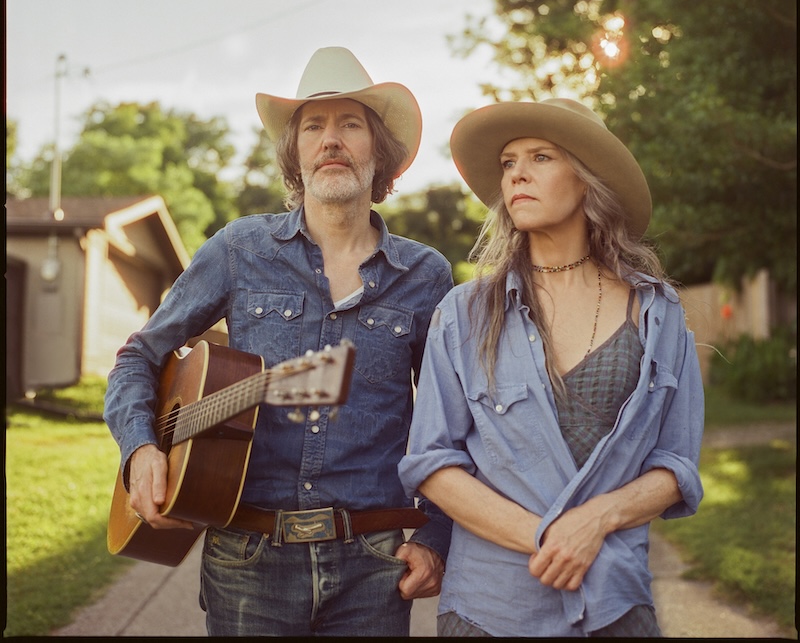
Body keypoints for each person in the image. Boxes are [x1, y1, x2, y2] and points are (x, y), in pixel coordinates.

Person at [104, 47, 453, 637]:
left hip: (373, 564)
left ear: (379, 151)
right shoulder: (241, 249)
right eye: (313, 126)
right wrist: (140, 448)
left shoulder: (426, 276)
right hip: (247, 562)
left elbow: (451, 419)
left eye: (350, 124)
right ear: (294, 151)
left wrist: (438, 533)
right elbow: (140, 356)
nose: (330, 140)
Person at [398, 98, 704, 637]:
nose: (517, 174)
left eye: (540, 157)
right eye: (509, 162)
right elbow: (432, 463)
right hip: (491, 611)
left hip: (615, 603)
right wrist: (548, 537)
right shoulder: (464, 313)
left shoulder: (657, 312)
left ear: (587, 179)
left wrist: (598, 520)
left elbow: (675, 464)